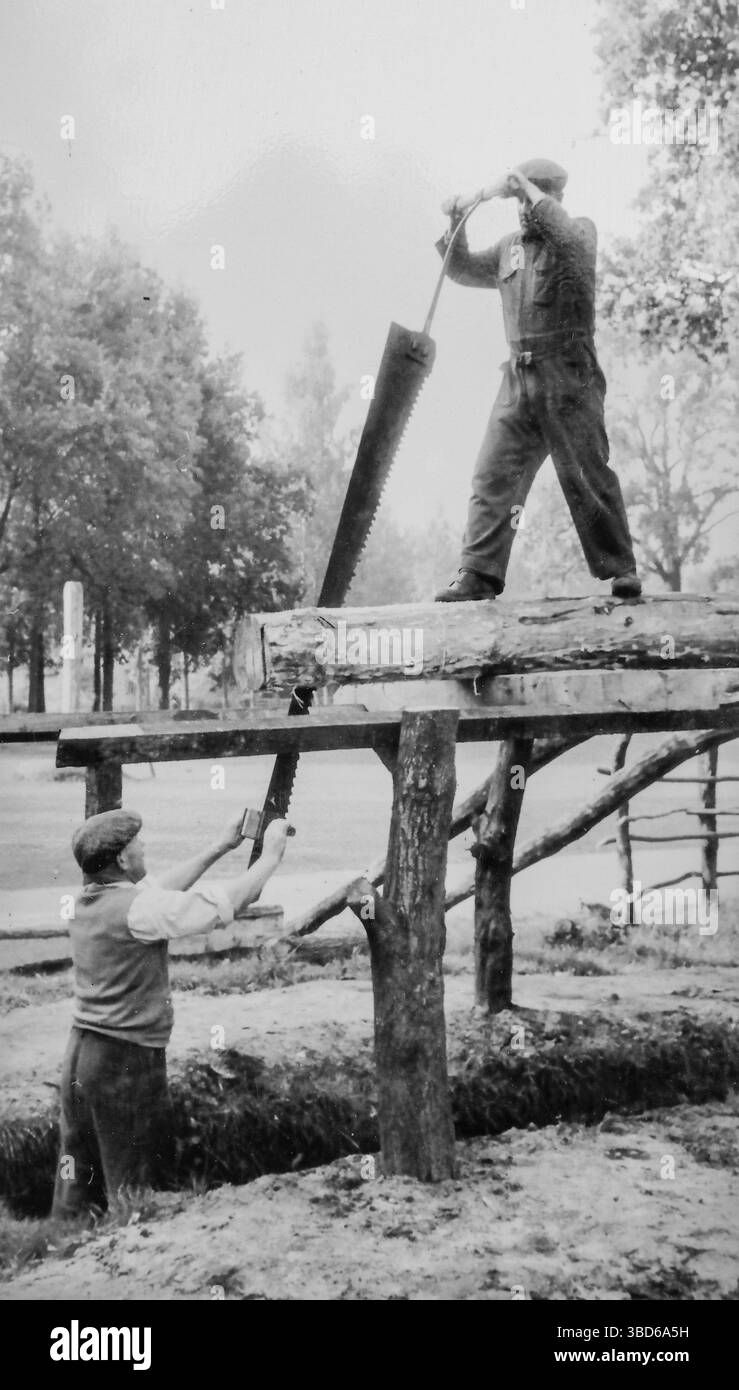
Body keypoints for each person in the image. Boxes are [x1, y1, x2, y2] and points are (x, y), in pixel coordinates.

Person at [51, 807, 290, 1220]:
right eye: (137, 844)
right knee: (132, 1181)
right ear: (123, 860)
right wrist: (270, 857)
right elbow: (228, 902)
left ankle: (64, 1249)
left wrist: (220, 846)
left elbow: (155, 893)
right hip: (125, 1060)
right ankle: (131, 1259)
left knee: (77, 1171)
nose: (144, 847)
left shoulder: (87, 902)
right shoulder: (137, 911)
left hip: (80, 1055)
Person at [434, 158, 641, 602]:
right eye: (520, 202)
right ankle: (478, 574)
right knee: (493, 476)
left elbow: (564, 235)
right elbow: (462, 268)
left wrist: (527, 189)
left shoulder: (578, 234)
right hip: (518, 378)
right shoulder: (511, 248)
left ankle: (621, 569)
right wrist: (456, 219)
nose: (523, 211)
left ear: (552, 197)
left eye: (530, 199)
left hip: (569, 376)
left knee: (586, 472)